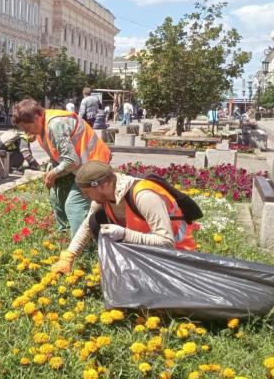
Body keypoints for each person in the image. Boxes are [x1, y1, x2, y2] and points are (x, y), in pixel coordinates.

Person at [51, 161, 196, 273]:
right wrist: (68, 256)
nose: (85, 197)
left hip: (177, 258)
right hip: (149, 253)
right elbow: (87, 227)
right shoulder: (104, 197)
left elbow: (167, 242)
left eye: (88, 193)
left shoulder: (143, 196)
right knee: (95, 221)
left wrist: (124, 234)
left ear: (103, 185)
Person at [12, 98, 111, 237]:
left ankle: (80, 247)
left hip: (94, 165)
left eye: (27, 127)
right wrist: (52, 169)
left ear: (36, 117)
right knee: (55, 193)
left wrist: (53, 174)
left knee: (74, 204)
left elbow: (71, 161)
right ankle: (63, 233)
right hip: (80, 166)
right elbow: (59, 154)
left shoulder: (55, 125)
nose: (27, 132)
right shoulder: (43, 125)